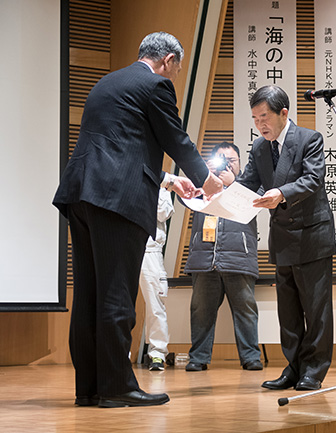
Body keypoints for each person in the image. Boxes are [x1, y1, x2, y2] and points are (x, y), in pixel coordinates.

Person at [52, 32, 222, 408]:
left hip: (82, 193)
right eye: (176, 69)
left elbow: (117, 145)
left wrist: (169, 179)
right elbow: (176, 140)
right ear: (168, 60)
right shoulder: (156, 85)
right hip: (117, 199)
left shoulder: (108, 82)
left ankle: (91, 387)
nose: (174, 77)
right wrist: (206, 180)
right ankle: (116, 388)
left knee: (89, 295)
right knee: (116, 295)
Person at [235, 85, 336, 391]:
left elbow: (313, 179)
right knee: (288, 311)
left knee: (316, 309)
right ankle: (293, 368)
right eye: (255, 119)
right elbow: (248, 183)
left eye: (264, 117)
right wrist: (221, 193)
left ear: (283, 113)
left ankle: (314, 371)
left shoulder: (309, 139)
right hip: (281, 239)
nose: (260, 124)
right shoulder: (258, 148)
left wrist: (281, 193)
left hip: (311, 236)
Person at [184, 142, 262, 372]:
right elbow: (185, 198)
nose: (226, 164)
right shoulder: (202, 184)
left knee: (246, 310)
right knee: (200, 310)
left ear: (239, 165)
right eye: (220, 159)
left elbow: (258, 202)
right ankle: (198, 357)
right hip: (204, 259)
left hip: (239, 258)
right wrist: (203, 175)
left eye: (232, 160)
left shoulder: (249, 185)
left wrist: (233, 185)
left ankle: (250, 357)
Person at [139, 188, 174, 371]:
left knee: (155, 305)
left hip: (149, 249)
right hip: (121, 246)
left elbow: (163, 213)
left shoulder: (161, 185)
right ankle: (116, 352)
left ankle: (157, 354)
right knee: (116, 303)